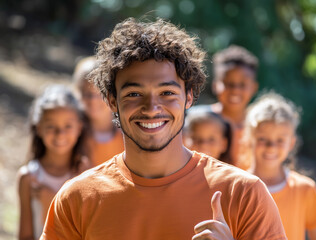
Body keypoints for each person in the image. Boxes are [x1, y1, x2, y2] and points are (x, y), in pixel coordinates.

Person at [40, 18, 287, 240]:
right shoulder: (77, 199)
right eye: (134, 93)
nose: (151, 107)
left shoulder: (243, 195)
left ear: (189, 97)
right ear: (112, 101)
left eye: (167, 93)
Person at [17, 84, 90, 240]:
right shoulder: (28, 177)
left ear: (79, 127)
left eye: (68, 126)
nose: (60, 134)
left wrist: (52, 201)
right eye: (51, 126)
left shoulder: (84, 172)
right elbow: (25, 236)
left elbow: (87, 230)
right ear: (39, 128)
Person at [244, 92, 316, 240]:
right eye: (263, 139)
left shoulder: (305, 189)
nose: (271, 147)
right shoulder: (235, 186)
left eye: (280, 140)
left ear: (291, 143)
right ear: (250, 138)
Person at [189, 45, 258, 169]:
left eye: (242, 84)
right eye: (228, 83)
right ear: (215, 85)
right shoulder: (196, 121)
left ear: (254, 87)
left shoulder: (258, 126)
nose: (235, 90)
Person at [73, 56, 124, 166]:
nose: (93, 100)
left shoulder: (127, 133)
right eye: (87, 93)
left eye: (100, 94)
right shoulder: (72, 133)